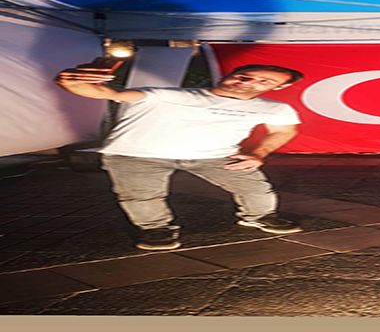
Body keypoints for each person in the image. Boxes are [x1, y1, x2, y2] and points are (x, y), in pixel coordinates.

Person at [55, 63, 305, 250]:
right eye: (244, 76)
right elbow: (106, 93)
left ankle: (258, 216)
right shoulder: (165, 95)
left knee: (255, 189)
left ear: (279, 87)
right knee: (141, 197)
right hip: (137, 155)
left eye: (264, 81)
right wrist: (72, 82)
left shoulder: (274, 108)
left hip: (215, 156)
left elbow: (284, 130)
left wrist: (258, 154)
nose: (248, 82)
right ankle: (156, 229)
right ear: (229, 74)